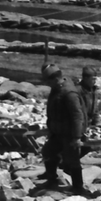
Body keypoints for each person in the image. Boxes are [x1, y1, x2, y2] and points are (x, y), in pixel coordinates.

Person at [40, 65, 86, 193]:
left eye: (47, 81)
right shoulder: (56, 89)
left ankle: (78, 187)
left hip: (69, 133)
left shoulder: (69, 93)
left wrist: (77, 137)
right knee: (48, 152)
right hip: (57, 132)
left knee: (72, 159)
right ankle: (52, 180)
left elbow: (77, 116)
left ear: (55, 79)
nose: (46, 84)